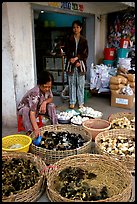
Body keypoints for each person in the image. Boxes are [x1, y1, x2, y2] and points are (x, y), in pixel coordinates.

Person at [17, 70, 58, 137]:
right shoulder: (35, 93)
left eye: (49, 87)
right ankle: (29, 132)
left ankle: (55, 127)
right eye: (45, 87)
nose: (47, 89)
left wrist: (44, 102)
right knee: (25, 109)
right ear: (40, 85)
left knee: (51, 105)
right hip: (27, 110)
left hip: (37, 107)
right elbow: (32, 113)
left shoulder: (47, 89)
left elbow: (51, 98)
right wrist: (36, 129)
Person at [65, 20, 89, 109]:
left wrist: (77, 59)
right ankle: (72, 101)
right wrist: (74, 61)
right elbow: (67, 52)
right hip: (71, 64)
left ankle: (81, 102)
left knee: (80, 84)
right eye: (74, 27)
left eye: (77, 27)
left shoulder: (84, 40)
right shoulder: (69, 39)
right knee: (72, 83)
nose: (75, 29)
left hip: (81, 64)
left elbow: (85, 54)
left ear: (81, 28)